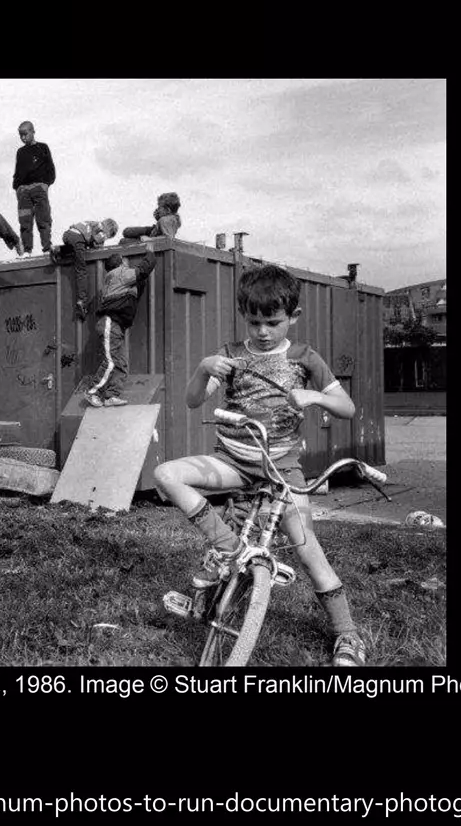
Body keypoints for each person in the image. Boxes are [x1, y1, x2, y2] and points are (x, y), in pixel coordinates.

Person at [152, 264, 366, 666]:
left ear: (294, 317)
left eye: (273, 322)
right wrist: (203, 368)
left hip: (281, 468)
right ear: (244, 318)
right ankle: (230, 549)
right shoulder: (230, 355)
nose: (263, 332)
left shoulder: (305, 357)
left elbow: (348, 408)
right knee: (166, 474)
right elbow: (193, 400)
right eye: (254, 322)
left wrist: (314, 397)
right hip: (232, 460)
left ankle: (347, 634)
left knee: (305, 547)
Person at [83, 251, 153, 408]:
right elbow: (144, 269)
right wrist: (150, 251)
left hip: (117, 326)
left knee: (121, 363)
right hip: (110, 323)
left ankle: (111, 396)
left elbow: (139, 283)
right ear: (120, 263)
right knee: (111, 361)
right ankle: (92, 391)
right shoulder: (120, 274)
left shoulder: (118, 281)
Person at [11, 121, 56, 257]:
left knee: (43, 218)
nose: (23, 138)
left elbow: (50, 168)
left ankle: (47, 248)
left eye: (25, 134)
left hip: (39, 188)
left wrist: (45, 184)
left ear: (32, 132)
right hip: (23, 191)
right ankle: (27, 250)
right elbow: (17, 171)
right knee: (25, 221)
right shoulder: (20, 152)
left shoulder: (43, 147)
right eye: (20, 135)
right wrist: (17, 188)